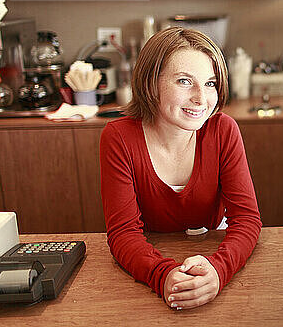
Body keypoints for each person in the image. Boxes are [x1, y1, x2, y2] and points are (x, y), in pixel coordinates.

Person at [99, 27, 262, 310]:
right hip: (148, 257)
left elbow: (247, 219)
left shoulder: (223, 130)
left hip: (210, 250)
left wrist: (218, 269)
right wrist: (162, 275)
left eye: (210, 83)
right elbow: (123, 233)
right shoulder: (118, 137)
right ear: (152, 82)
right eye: (185, 81)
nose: (201, 98)